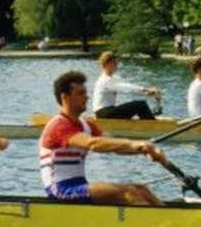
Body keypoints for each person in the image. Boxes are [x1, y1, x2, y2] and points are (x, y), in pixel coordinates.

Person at [38, 70, 167, 206]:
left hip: (79, 186)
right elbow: (93, 143)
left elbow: (114, 145)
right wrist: (139, 145)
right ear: (65, 97)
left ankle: (169, 220)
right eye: (81, 93)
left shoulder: (86, 124)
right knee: (129, 193)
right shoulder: (59, 125)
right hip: (61, 191)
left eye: (86, 93)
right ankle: (150, 225)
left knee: (141, 189)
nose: (87, 97)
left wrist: (145, 150)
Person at [91, 51, 162, 120]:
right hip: (103, 114)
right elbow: (126, 88)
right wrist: (146, 89)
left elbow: (130, 87)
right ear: (106, 64)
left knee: (139, 105)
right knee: (140, 105)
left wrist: (149, 93)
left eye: (116, 62)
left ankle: (149, 123)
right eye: (114, 63)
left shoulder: (115, 78)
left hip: (108, 112)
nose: (116, 65)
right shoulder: (105, 80)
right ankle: (152, 127)